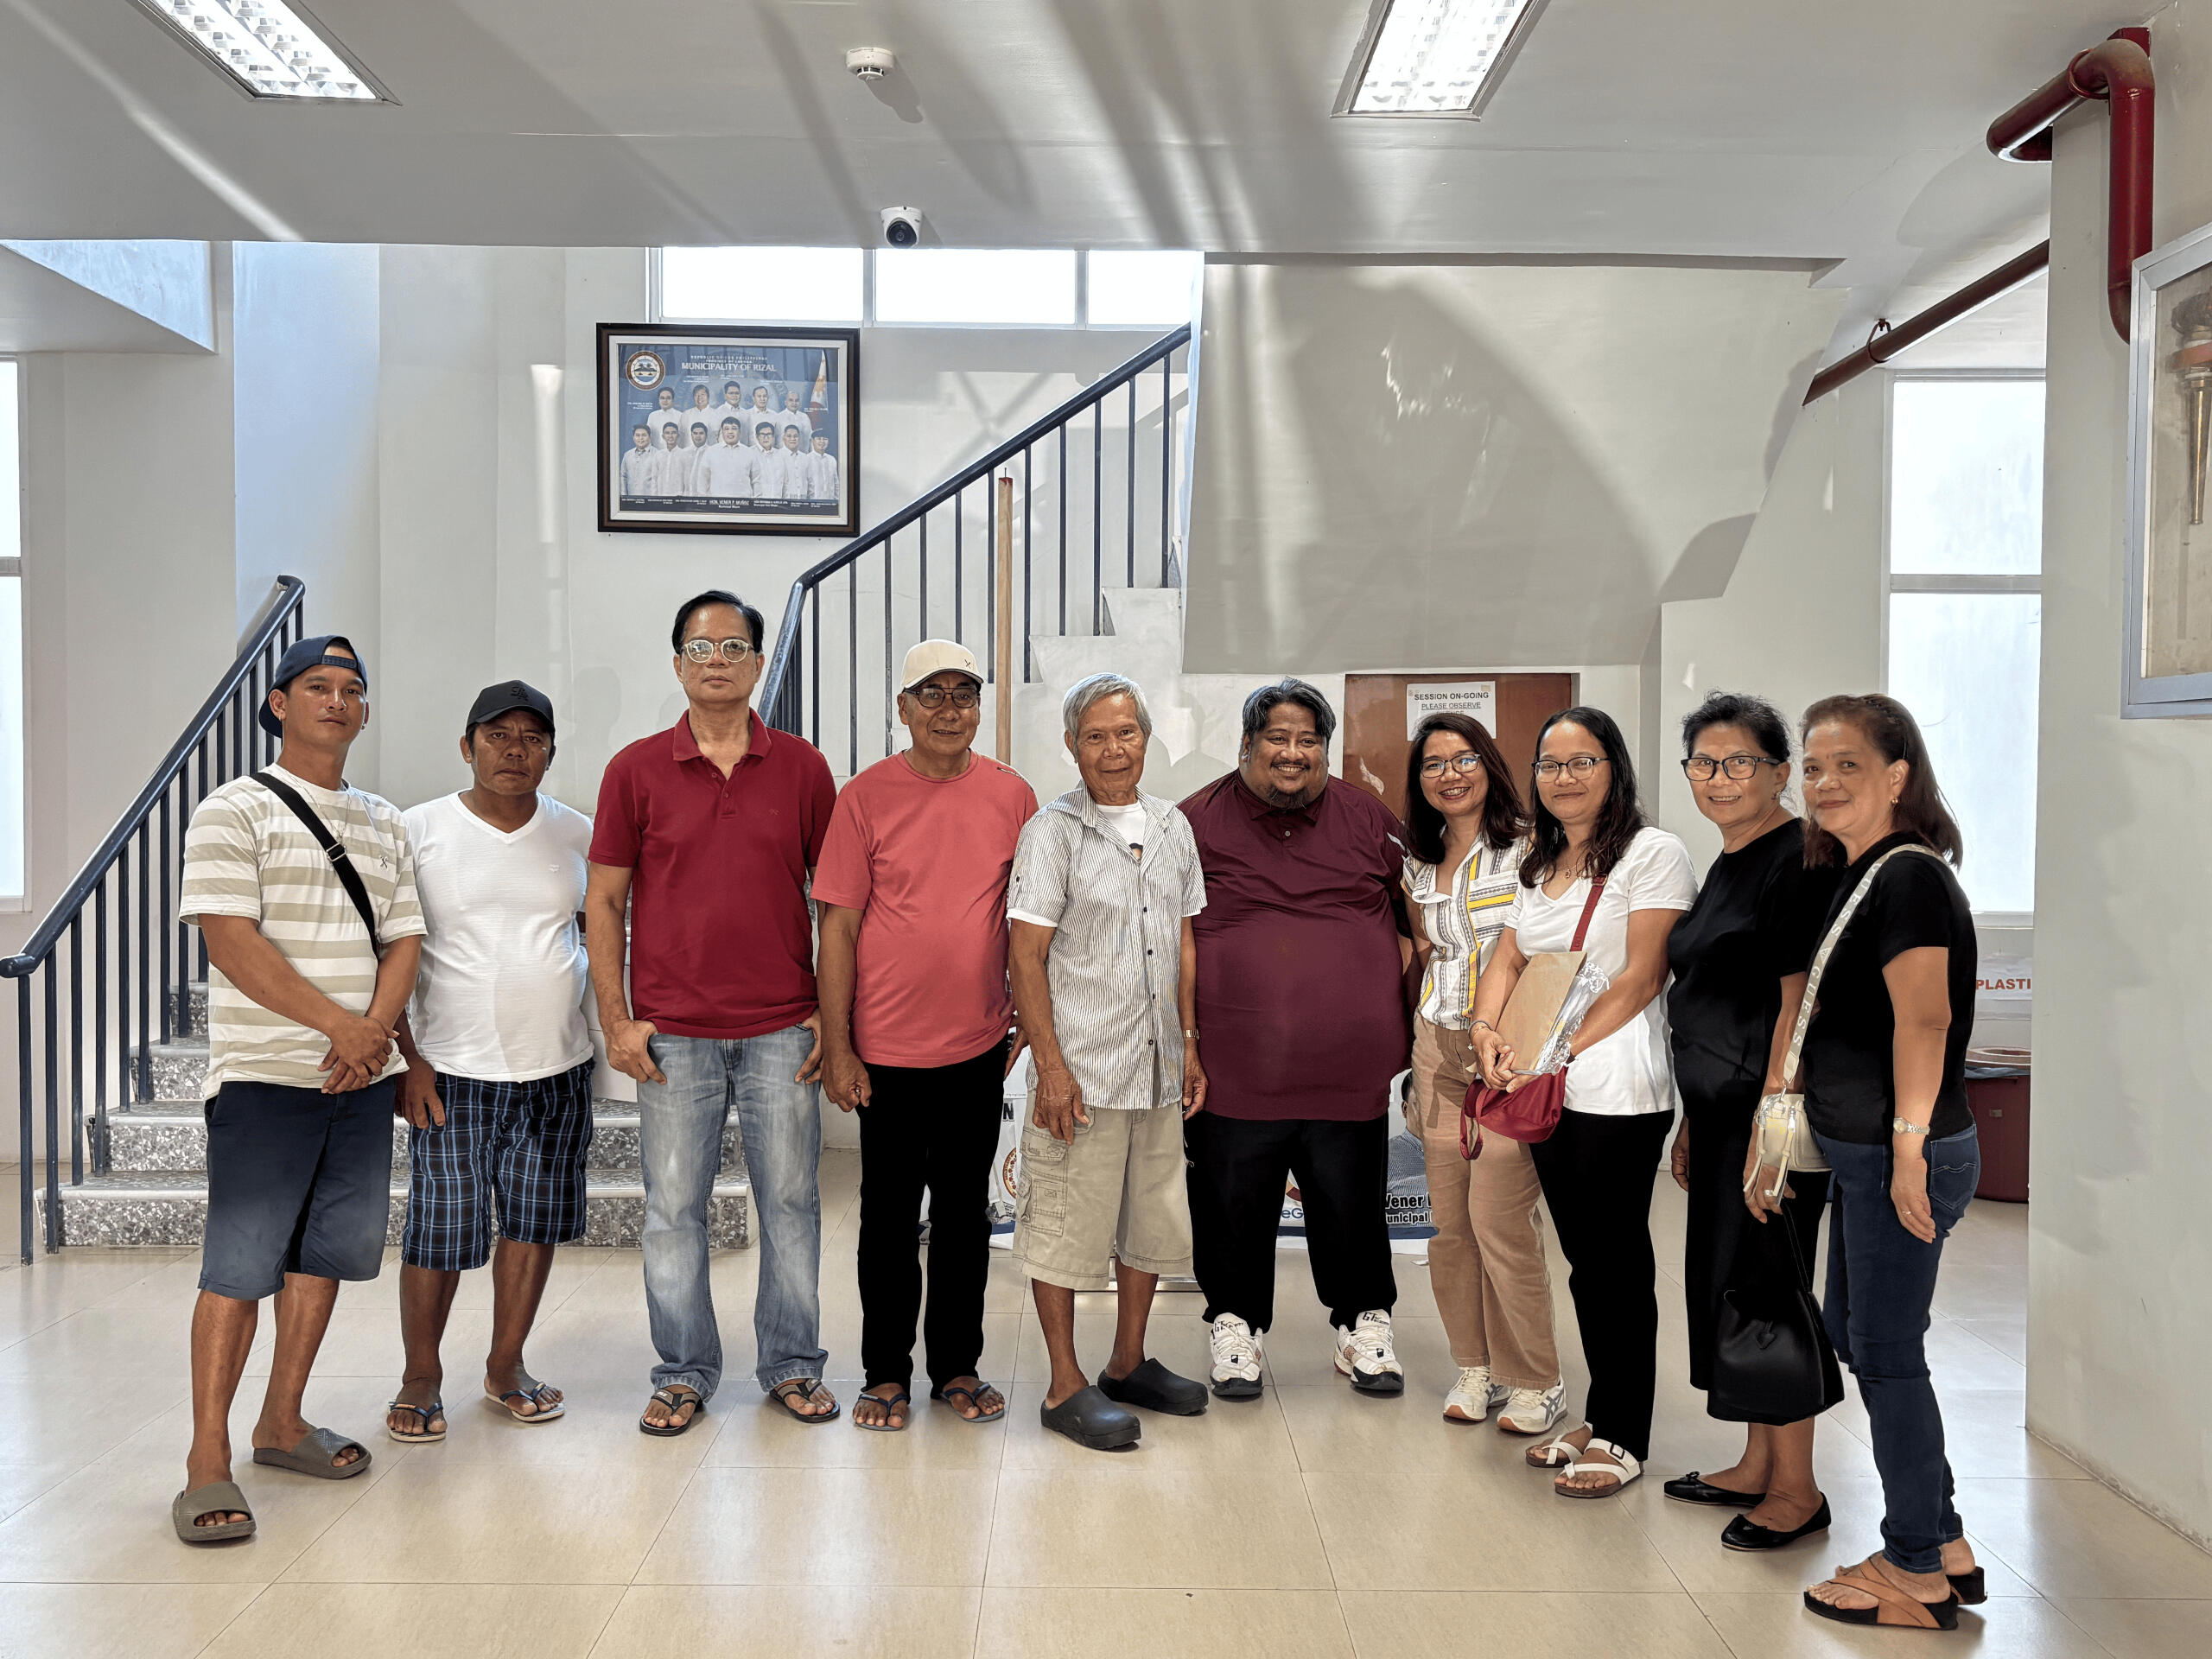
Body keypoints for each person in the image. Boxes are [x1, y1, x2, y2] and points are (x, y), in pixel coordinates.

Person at [173, 636, 427, 1544]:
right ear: (279, 704)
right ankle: (207, 1459)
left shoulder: (383, 820)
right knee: (239, 1267)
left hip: (359, 1081)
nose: (338, 700)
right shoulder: (233, 809)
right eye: (318, 686)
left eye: (353, 688)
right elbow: (229, 941)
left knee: (322, 1257)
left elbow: (403, 939)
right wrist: (339, 1028)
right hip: (268, 1077)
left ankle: (282, 1422)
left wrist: (374, 1039)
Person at [587, 590, 839, 1433]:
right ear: (678, 665)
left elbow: (835, 901)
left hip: (783, 1029)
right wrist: (617, 1021)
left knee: (792, 1206)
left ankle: (792, 1364)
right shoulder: (634, 771)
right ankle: (684, 1371)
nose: (718, 661)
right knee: (672, 1212)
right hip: (672, 1036)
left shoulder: (803, 769)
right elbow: (603, 901)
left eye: (734, 647)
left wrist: (830, 1018)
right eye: (701, 649)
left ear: (759, 663)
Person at [1791, 695, 1983, 1632]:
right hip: (1871, 1155)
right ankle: (1941, 1539)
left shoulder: (1906, 877)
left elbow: (1926, 1020)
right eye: (1812, 767)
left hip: (1899, 1155)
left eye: (1848, 766)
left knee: (1887, 1354)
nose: (1823, 783)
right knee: (1860, 1334)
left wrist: (1907, 1149)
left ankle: (1913, 1568)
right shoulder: (1865, 870)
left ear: (1897, 775)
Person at [1471, 706, 1697, 1497]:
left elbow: (1643, 976)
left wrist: (1554, 1050)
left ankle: (1625, 1436)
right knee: (1585, 1265)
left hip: (1616, 1089)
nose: (1563, 777)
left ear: (1614, 768)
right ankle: (1601, 1418)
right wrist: (1487, 1029)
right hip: (1547, 1089)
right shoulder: (1538, 860)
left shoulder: (1652, 853)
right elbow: (1508, 957)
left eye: (1581, 762)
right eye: (1549, 764)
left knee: (1615, 1264)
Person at [814, 641, 1036, 1433]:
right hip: (885, 1054)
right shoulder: (864, 797)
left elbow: (1027, 918)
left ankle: (957, 1366)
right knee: (887, 1219)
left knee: (966, 1218)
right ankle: (884, 1372)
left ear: (979, 706)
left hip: (977, 1046)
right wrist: (839, 1045)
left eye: (963, 694)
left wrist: (1027, 1012)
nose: (949, 709)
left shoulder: (1012, 794)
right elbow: (838, 928)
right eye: (931, 694)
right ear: (903, 708)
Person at [1180, 679, 1412, 1399]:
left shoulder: (1368, 817)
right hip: (1233, 1069)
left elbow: (1419, 919)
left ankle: (1363, 1324)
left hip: (1349, 1070)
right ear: (1246, 744)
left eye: (1308, 740)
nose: (1292, 753)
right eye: (1277, 738)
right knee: (1231, 1206)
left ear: (1325, 750)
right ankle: (1235, 1325)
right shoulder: (1193, 821)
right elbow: (1164, 934)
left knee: (1352, 1206)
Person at [385, 682, 596, 1445]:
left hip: (556, 1068)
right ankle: (421, 1375)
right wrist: (407, 1058)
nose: (515, 750)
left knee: (533, 1224)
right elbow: (388, 951)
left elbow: (604, 932)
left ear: (550, 753)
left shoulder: (576, 833)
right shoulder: (418, 830)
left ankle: (506, 1366)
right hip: (450, 1069)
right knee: (439, 1229)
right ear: (466, 746)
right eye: (498, 735)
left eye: (532, 738)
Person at [1007, 674, 1212, 1449]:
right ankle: (1065, 1384)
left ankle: (1127, 1364)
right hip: (1082, 1073)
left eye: (1126, 732)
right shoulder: (1051, 833)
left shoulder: (1172, 826)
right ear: (1072, 746)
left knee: (1150, 1224)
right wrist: (1052, 1070)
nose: (1113, 749)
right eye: (1095, 736)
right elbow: (1026, 956)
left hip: (1156, 1069)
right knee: (1064, 1229)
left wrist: (1189, 1043)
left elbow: (1184, 940)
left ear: (1146, 738)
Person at [1661, 692, 1840, 1547]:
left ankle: (1798, 1489)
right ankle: (1758, 1461)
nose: (1719, 778)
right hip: (1722, 1113)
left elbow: (1797, 1003)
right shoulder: (1733, 859)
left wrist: (1772, 1125)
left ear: (1780, 772)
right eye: (1703, 763)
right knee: (1730, 1285)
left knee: (1769, 1289)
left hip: (1771, 1122)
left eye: (1739, 762)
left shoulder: (1799, 860)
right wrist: (1695, 1121)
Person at [1400, 712, 1565, 1437]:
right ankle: (1476, 1366)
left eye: (1464, 758)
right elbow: (1425, 951)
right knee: (1450, 1227)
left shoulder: (1533, 849)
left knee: (1501, 1222)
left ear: (1490, 764)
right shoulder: (1418, 860)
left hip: (1509, 1053)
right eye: (1434, 764)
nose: (1451, 775)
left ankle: (1536, 1377)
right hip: (1438, 1047)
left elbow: (1546, 951)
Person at [697, 416, 756, 499]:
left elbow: (757, 481)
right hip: (716, 502)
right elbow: (702, 481)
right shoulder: (711, 452)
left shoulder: (749, 452)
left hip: (743, 502)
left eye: (734, 428)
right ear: (722, 432)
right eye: (726, 429)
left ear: (740, 431)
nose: (730, 432)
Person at [751, 420, 791, 499]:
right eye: (762, 434)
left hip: (777, 503)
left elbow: (786, 483)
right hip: (756, 503)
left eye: (769, 434)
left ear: (773, 436)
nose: (766, 438)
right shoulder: (750, 453)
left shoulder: (781, 455)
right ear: (757, 436)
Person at [620, 423, 655, 498]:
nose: (640, 438)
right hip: (630, 500)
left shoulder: (657, 455)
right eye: (637, 435)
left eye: (644, 435)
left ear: (650, 437)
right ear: (633, 437)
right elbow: (623, 477)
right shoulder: (628, 455)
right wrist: (623, 497)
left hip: (651, 501)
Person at [683, 421, 714, 493]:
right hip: (687, 496)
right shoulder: (684, 452)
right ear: (691, 435)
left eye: (701, 433)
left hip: (705, 496)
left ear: (706, 435)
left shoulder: (712, 452)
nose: (698, 436)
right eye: (695, 433)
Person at [807, 431, 837, 502]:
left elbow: (836, 483)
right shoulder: (806, 459)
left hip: (830, 502)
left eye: (825, 439)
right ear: (813, 441)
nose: (822, 441)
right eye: (819, 439)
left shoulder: (831, 459)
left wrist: (837, 500)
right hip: (812, 503)